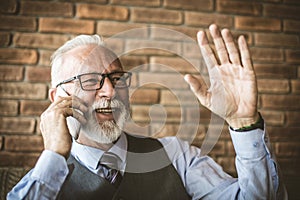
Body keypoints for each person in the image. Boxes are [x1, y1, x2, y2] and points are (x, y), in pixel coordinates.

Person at [7, 24, 287, 200]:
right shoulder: (45, 178)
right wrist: (54, 155)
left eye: (117, 79)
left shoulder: (176, 154)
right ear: (58, 97)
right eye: (90, 80)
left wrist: (244, 123)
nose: (110, 91)